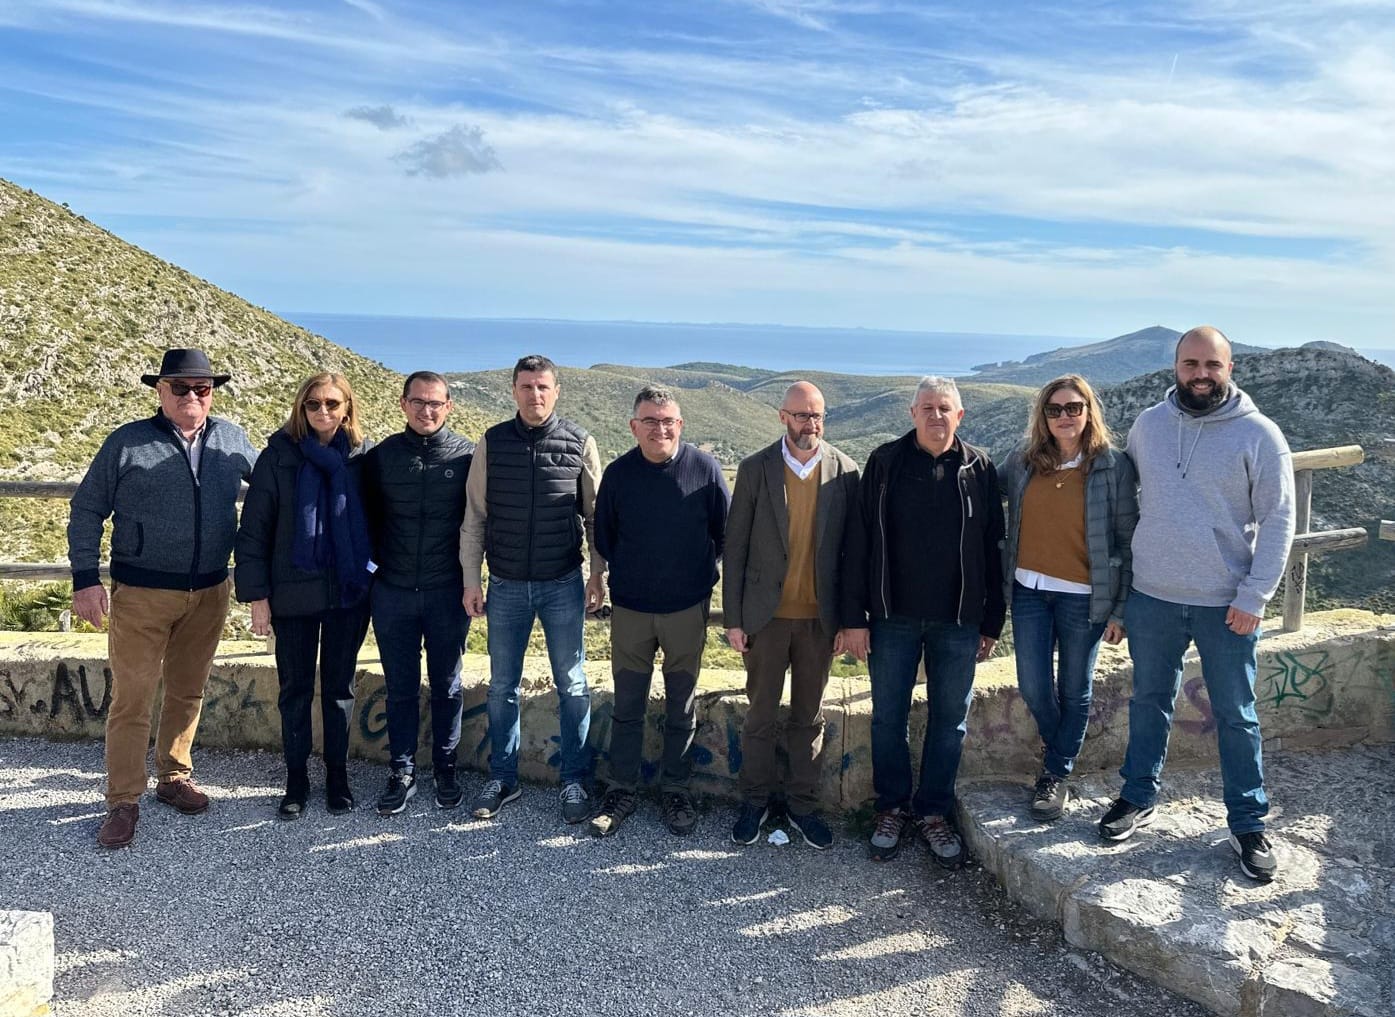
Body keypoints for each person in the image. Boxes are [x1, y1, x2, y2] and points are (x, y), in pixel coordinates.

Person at [1102, 326, 1295, 884]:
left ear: (1230, 368)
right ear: (1176, 367)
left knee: (1236, 714)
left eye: (1212, 364)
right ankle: (1137, 797)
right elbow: (1127, 499)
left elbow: (1280, 519)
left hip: (1225, 603)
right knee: (1148, 701)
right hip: (1153, 597)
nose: (1200, 374)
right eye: (1190, 364)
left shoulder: (1259, 434)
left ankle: (1248, 822)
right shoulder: (1149, 425)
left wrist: (1255, 595)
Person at [68, 348, 257, 849]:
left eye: (203, 388)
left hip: (211, 590)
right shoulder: (128, 442)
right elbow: (86, 509)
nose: (193, 397)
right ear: (160, 391)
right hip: (142, 593)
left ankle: (173, 775)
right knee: (132, 699)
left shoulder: (232, 439)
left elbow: (275, 486)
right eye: (181, 388)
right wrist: (85, 580)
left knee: (187, 690)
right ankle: (123, 801)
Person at [846, 376, 1005, 868]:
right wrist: (855, 617)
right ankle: (891, 807)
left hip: (958, 621)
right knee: (887, 718)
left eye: (945, 408)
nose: (936, 416)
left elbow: (993, 548)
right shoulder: (885, 462)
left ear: (960, 416)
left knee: (949, 722)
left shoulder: (979, 467)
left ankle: (933, 812)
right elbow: (859, 542)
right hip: (892, 618)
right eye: (928, 408)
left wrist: (992, 621)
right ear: (912, 414)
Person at [461, 355, 604, 824]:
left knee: (573, 683)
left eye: (543, 387)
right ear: (514, 390)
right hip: (504, 585)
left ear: (556, 391)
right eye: (526, 387)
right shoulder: (492, 442)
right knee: (503, 685)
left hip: (563, 582)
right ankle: (502, 778)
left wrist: (597, 575)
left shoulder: (580, 442)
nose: (534, 395)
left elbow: (595, 518)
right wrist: (471, 578)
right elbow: (475, 517)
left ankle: (575, 781)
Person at [723, 381, 864, 850]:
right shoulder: (754, 468)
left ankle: (803, 806)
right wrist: (734, 619)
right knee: (760, 715)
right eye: (802, 415)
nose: (811, 424)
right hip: (765, 619)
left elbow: (852, 556)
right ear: (783, 416)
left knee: (809, 717)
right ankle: (755, 802)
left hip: (819, 623)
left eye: (818, 416)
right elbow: (736, 546)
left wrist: (848, 620)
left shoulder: (845, 471)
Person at [587, 386, 730, 838]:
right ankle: (621, 789)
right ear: (634, 427)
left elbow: (726, 534)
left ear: (681, 425)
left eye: (668, 420)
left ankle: (676, 789)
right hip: (630, 609)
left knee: (681, 706)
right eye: (650, 421)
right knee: (627, 705)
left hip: (687, 610)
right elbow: (604, 537)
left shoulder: (705, 470)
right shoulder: (619, 474)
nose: (660, 428)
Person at [235, 372, 374, 819]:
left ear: (347, 408)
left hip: (346, 595)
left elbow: (380, 522)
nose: (323, 412)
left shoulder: (361, 458)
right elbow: (253, 532)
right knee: (294, 689)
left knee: (339, 690)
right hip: (291, 595)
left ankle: (338, 778)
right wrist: (258, 598)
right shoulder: (278, 457)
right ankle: (296, 781)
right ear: (301, 407)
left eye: (332, 404)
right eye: (314, 404)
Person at [1000, 375, 1137, 821]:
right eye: (1054, 409)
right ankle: (1060, 754)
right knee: (1034, 686)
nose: (1064, 416)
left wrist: (1121, 609)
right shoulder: (1023, 462)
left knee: (1074, 690)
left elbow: (1127, 539)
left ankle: (1054, 774)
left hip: (1084, 597)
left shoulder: (1112, 466)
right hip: (1029, 592)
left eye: (1073, 407)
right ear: (1042, 415)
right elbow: (978, 488)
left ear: (1088, 412)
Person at [362, 371, 475, 815]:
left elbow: (481, 521)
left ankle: (446, 768)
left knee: (447, 685)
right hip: (392, 592)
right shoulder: (382, 456)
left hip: (448, 590)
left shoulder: (468, 457)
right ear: (403, 404)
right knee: (401, 686)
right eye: (418, 402)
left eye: (436, 403)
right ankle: (402, 771)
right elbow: (364, 520)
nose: (427, 411)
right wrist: (371, 573)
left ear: (448, 407)